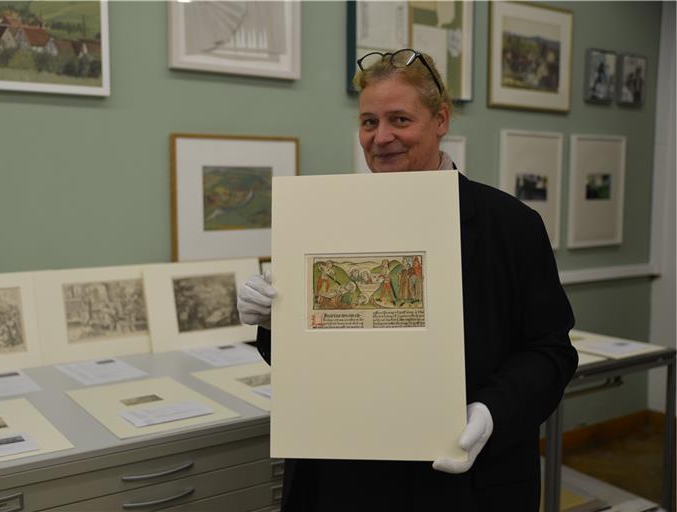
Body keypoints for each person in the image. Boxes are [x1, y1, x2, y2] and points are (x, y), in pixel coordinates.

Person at [237, 48, 577, 511]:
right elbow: (311, 360)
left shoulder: (511, 224)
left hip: (460, 481)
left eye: (399, 119)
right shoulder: (325, 220)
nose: (381, 138)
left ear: (440, 120)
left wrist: (492, 412)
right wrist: (274, 323)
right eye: (369, 122)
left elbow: (550, 350)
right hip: (342, 477)